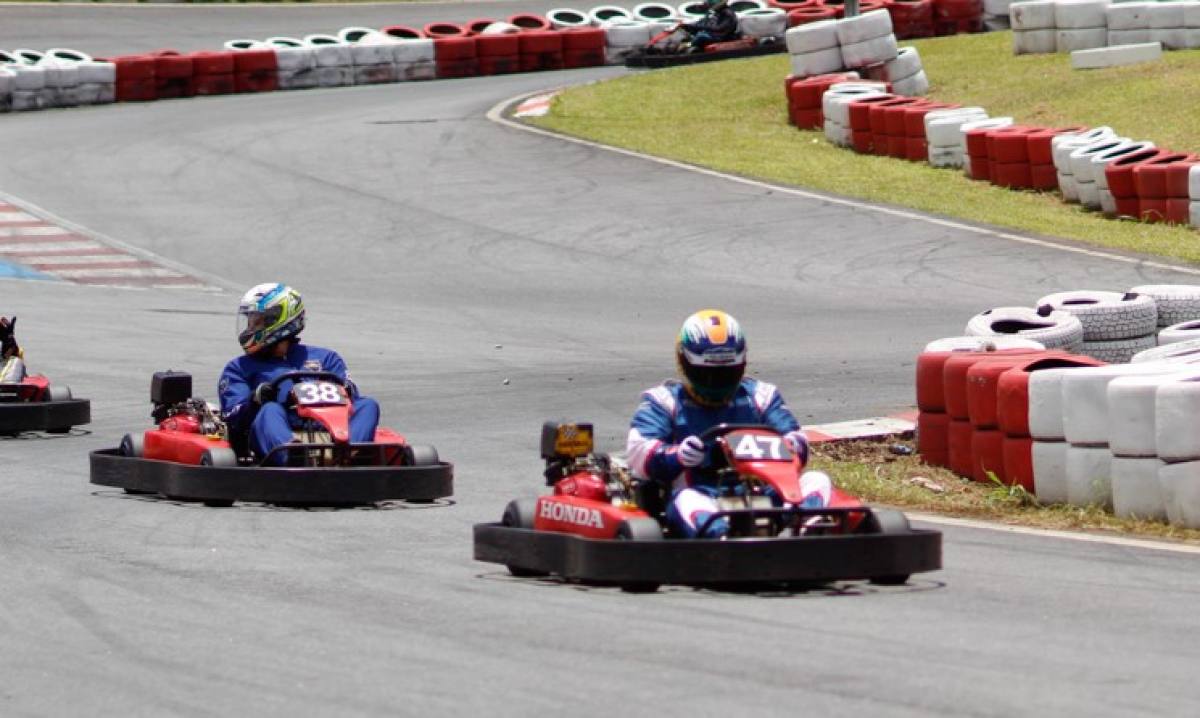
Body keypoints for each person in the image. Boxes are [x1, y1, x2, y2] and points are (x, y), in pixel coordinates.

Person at [626, 310, 831, 538]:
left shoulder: (762, 396)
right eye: (708, 373)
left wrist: (790, 446)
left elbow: (796, 439)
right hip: (702, 494)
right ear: (684, 361)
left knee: (817, 480)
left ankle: (806, 529)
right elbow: (638, 454)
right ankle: (720, 537)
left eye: (727, 372)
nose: (717, 381)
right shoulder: (663, 401)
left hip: (766, 491)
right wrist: (677, 456)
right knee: (687, 500)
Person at [219, 283, 379, 465]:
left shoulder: (326, 358)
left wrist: (346, 389)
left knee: (368, 405)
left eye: (258, 321)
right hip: (273, 436)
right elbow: (231, 416)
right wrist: (255, 400)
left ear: (278, 320)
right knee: (270, 409)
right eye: (250, 321)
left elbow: (351, 399)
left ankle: (348, 453)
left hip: (331, 431)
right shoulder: (239, 368)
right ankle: (293, 456)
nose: (250, 327)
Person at [0, 316, 25, 384]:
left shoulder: (8, 329)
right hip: (9, 349)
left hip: (11, 349)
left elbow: (10, 329)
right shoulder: (6, 331)